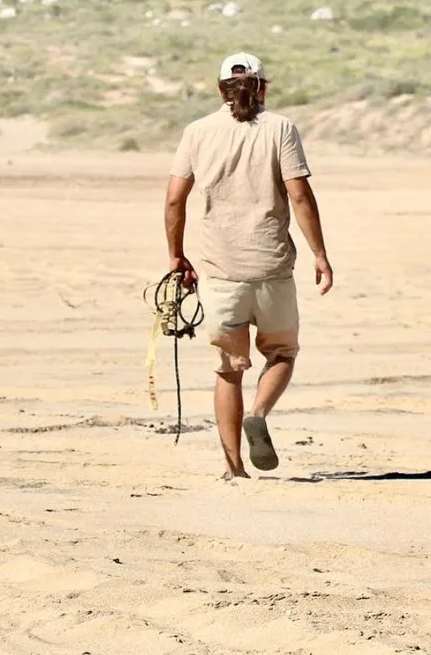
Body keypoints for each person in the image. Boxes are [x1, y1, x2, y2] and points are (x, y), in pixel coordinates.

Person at [164, 52, 333, 480]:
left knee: (228, 370)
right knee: (281, 354)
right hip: (271, 268)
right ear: (263, 87)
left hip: (221, 273)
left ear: (220, 88)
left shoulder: (197, 132)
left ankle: (234, 468)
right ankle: (258, 413)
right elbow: (299, 196)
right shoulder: (280, 129)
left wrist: (175, 256)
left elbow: (173, 200)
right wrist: (319, 254)